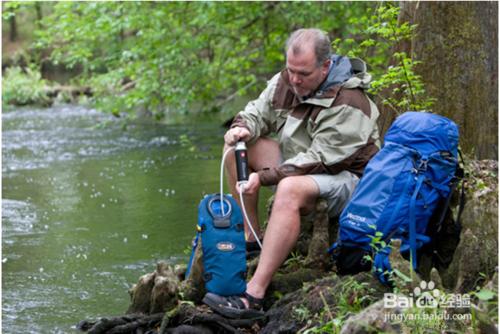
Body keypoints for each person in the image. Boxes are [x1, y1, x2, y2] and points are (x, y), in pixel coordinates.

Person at [203, 28, 380, 319]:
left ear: (325, 66)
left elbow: (321, 159)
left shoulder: (349, 100)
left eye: (304, 73)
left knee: (288, 189)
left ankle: (254, 295)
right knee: (238, 147)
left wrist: (268, 176)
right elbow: (258, 112)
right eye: (291, 70)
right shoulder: (288, 80)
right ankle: (252, 237)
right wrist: (242, 126)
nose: (295, 79)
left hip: (348, 179)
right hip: (300, 163)